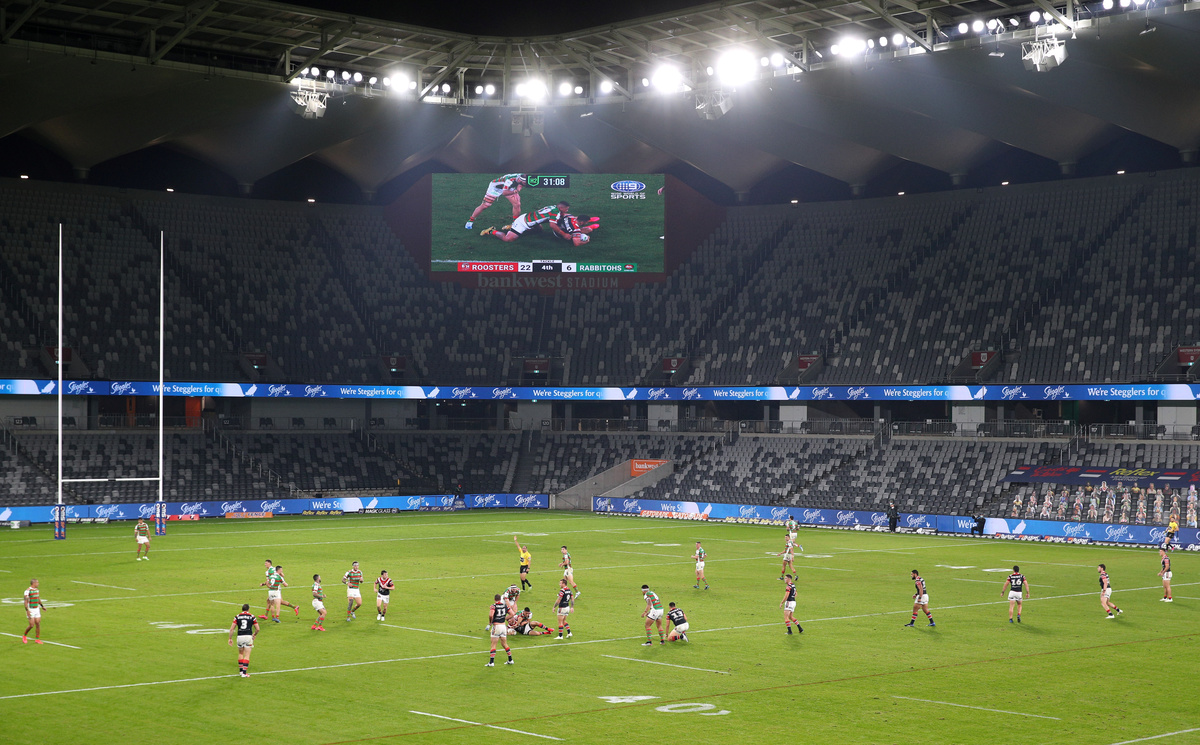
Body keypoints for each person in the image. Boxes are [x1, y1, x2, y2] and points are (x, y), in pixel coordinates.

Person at [480, 202, 572, 243]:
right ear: (561, 208)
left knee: (539, 230)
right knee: (508, 239)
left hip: (528, 218)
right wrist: (564, 234)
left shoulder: (554, 207)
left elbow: (556, 217)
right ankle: (491, 231)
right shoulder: (555, 212)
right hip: (522, 223)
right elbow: (552, 225)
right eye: (566, 209)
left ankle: (512, 227)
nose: (567, 211)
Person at [228, 603, 260, 678]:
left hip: (240, 636)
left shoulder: (237, 616)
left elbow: (232, 629)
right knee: (247, 655)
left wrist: (230, 638)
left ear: (242, 609)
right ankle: (244, 673)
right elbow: (257, 629)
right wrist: (254, 634)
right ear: (248, 609)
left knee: (240, 653)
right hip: (248, 636)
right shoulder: (252, 616)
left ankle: (241, 671)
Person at [486, 594, 514, 667]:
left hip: (497, 626)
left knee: (493, 644)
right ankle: (510, 660)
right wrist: (504, 618)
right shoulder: (505, 606)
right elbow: (512, 614)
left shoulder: (493, 606)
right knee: (504, 644)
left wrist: (490, 622)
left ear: (494, 599)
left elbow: (491, 615)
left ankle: (491, 662)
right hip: (503, 627)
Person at [22, 578, 45, 644]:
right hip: (31, 609)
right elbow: (25, 601)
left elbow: (38, 598)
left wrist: (42, 606)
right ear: (33, 583)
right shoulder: (28, 591)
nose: (38, 584)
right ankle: (24, 635)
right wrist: (27, 610)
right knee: (31, 625)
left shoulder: (37, 590)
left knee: (37, 623)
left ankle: (37, 639)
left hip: (37, 609)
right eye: (37, 582)